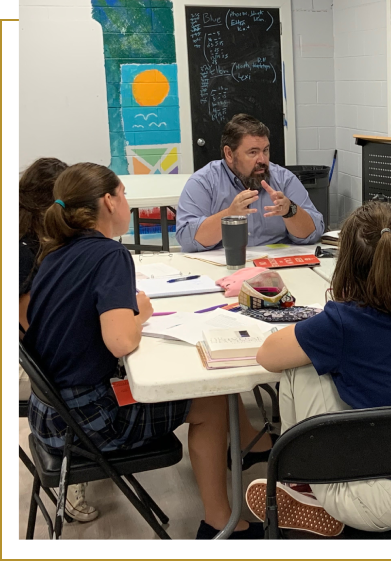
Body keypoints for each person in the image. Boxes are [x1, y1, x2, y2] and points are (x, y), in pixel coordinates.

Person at [24, 163, 263, 540]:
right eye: (123, 194)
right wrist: (142, 313)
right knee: (213, 400)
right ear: (109, 200)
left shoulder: (56, 253)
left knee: (198, 390)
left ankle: (229, 495)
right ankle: (222, 524)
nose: (127, 202)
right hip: (84, 421)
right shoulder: (109, 255)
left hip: (48, 416)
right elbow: (120, 341)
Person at [246, 201, 391, 535]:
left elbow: (267, 355)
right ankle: (313, 487)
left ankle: (302, 483)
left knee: (301, 365)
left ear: (345, 262)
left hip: (374, 504)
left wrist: (319, 325)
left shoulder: (341, 324)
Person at [18, 157, 101, 523]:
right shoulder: (25, 250)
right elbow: (32, 326)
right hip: (51, 373)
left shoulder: (36, 237)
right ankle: (81, 464)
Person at [176, 113, 325, 252]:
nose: (262, 160)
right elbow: (186, 239)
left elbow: (315, 232)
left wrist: (290, 210)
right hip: (224, 266)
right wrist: (230, 214)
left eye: (265, 150)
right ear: (229, 154)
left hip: (276, 264)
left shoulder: (283, 179)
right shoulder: (204, 182)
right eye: (253, 152)